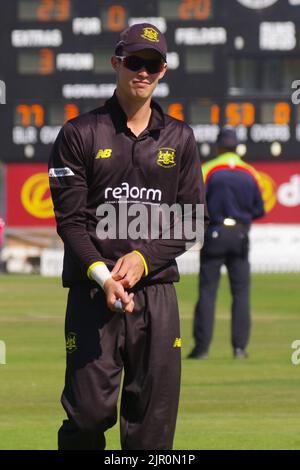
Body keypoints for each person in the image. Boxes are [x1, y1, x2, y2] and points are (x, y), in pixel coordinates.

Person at [49, 23, 208, 450]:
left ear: (163, 71)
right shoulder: (79, 134)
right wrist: (105, 278)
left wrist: (143, 258)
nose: (142, 71)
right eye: (134, 61)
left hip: (155, 296)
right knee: (87, 416)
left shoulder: (181, 138)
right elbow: (71, 223)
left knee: (151, 431)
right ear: (117, 62)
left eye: (152, 64)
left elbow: (192, 221)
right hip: (93, 295)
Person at [188, 127, 265, 360]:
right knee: (241, 294)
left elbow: (195, 202)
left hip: (214, 234)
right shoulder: (251, 172)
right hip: (240, 234)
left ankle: (202, 349)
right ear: (237, 147)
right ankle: (240, 348)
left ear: (219, 146)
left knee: (208, 292)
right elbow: (259, 209)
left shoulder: (208, 169)